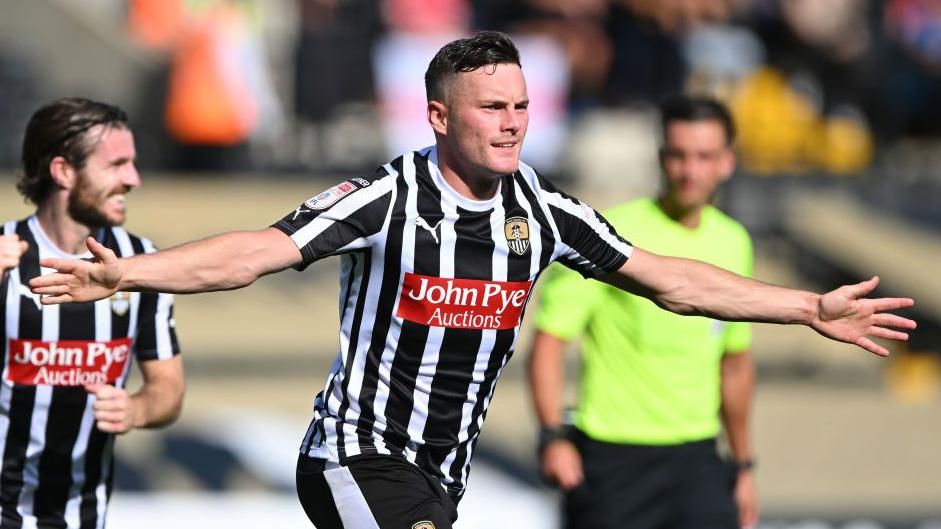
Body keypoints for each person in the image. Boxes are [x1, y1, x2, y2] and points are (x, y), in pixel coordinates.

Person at [29, 32, 914, 529]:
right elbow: (252, 253)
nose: (513, 123)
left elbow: (672, 281)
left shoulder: (544, 209)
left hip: (440, 476)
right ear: (439, 115)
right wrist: (127, 274)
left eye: (522, 105)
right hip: (356, 456)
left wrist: (807, 307)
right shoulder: (387, 196)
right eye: (493, 107)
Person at [530, 95, 759, 529]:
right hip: (613, 460)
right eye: (679, 155)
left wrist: (744, 465)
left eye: (704, 156)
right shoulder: (609, 234)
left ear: (726, 162)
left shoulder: (734, 242)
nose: (690, 171)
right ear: (660, 158)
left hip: (697, 457)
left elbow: (734, 363)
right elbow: (550, 340)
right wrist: (551, 436)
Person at [0, 98, 184, 529]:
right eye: (117, 165)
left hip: (80, 513)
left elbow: (169, 389)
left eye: (133, 164)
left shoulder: (139, 261)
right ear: (63, 171)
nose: (133, 179)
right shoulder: (6, 252)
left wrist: (137, 410)